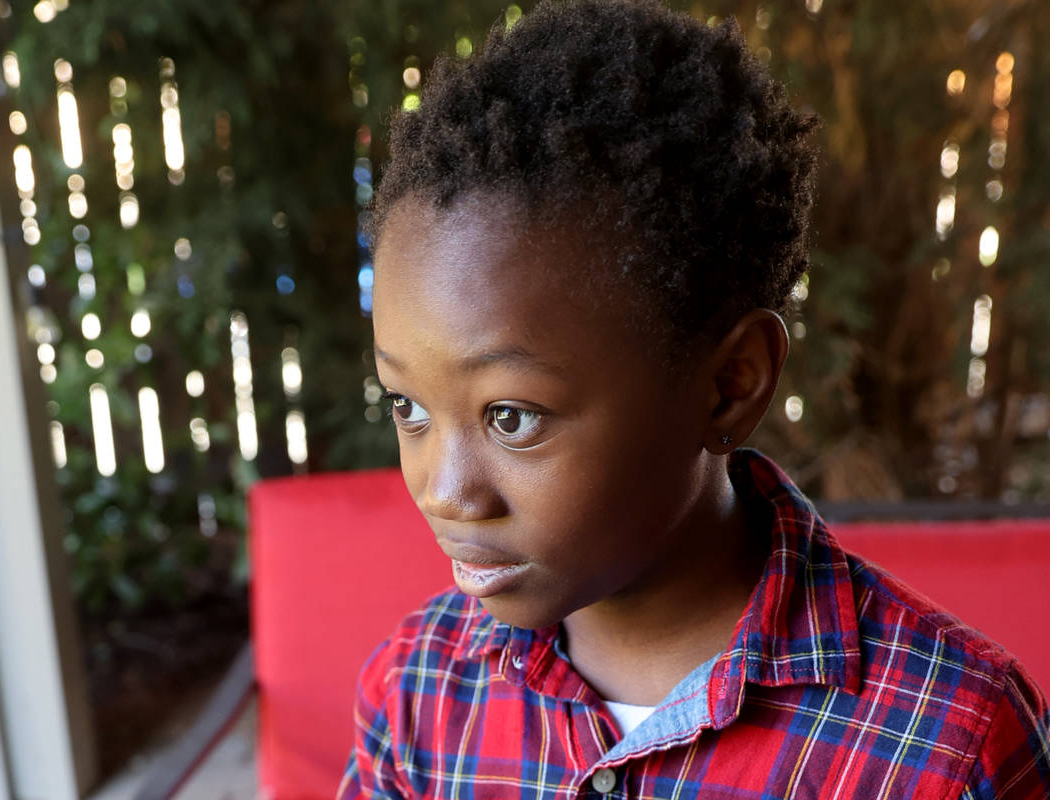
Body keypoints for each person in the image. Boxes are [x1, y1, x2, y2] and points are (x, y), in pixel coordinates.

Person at [337, 1, 1050, 797]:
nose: (444, 492)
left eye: (512, 417)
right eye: (408, 409)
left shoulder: (948, 747)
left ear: (730, 384)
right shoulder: (415, 694)